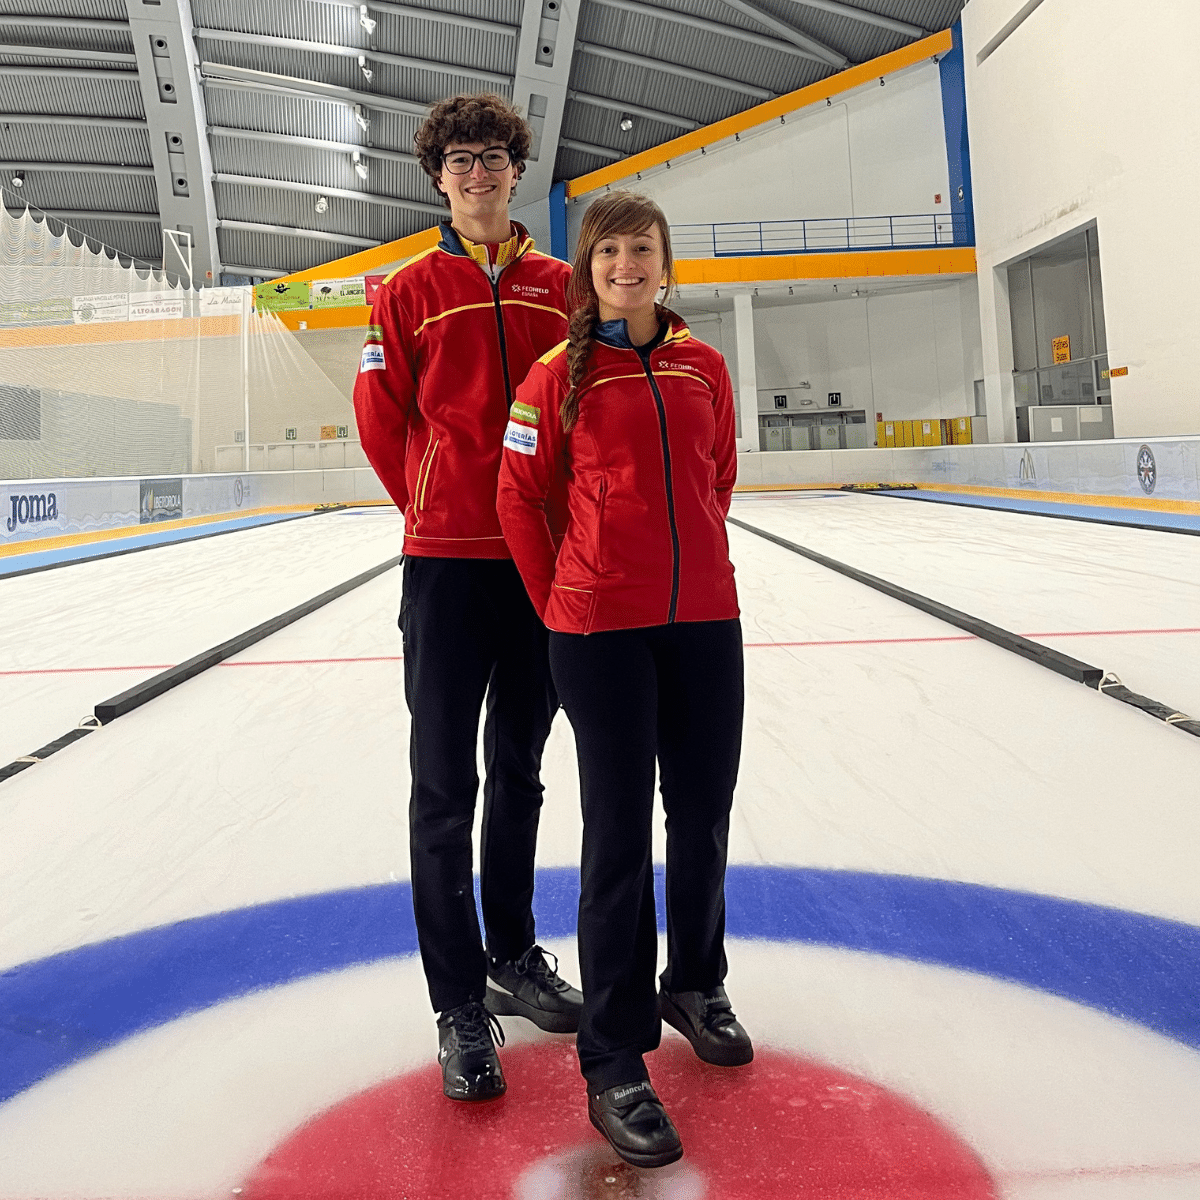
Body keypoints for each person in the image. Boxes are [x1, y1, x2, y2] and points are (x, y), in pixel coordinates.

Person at [496, 192, 752, 1168]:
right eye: (609, 253)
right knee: (617, 835)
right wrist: (563, 596)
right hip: (598, 629)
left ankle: (695, 979)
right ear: (587, 268)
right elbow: (520, 500)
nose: (626, 267)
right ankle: (614, 1059)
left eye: (641, 250)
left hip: (704, 622)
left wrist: (696, 567)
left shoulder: (703, 366)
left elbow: (717, 475)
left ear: (664, 263)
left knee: (703, 811)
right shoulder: (555, 377)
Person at [353, 92, 582, 1103]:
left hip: (543, 565)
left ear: (515, 170)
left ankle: (515, 956)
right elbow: (380, 417)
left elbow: (596, 412)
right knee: (445, 787)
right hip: (446, 563)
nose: (478, 172)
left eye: (494, 155)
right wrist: (433, 503)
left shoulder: (565, 287)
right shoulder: (404, 292)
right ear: (438, 177)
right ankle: (458, 1003)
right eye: (460, 159)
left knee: (521, 774)